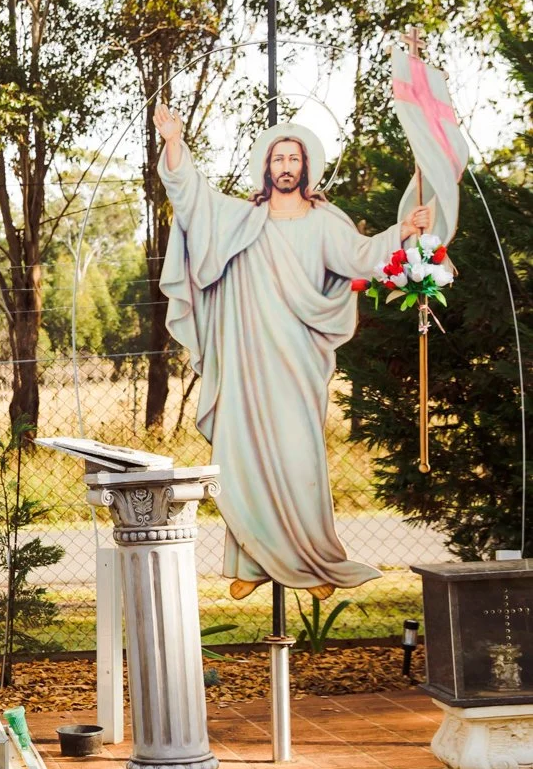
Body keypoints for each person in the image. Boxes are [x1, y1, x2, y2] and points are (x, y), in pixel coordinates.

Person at [155, 103, 433, 600]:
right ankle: (252, 562)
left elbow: (363, 255)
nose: (286, 166)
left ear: (307, 168)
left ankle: (314, 559)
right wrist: (174, 141)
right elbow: (190, 195)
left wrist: (406, 231)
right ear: (266, 165)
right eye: (278, 158)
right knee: (243, 458)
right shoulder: (238, 219)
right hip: (245, 363)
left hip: (298, 361)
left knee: (300, 458)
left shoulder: (325, 223)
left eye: (294, 160)